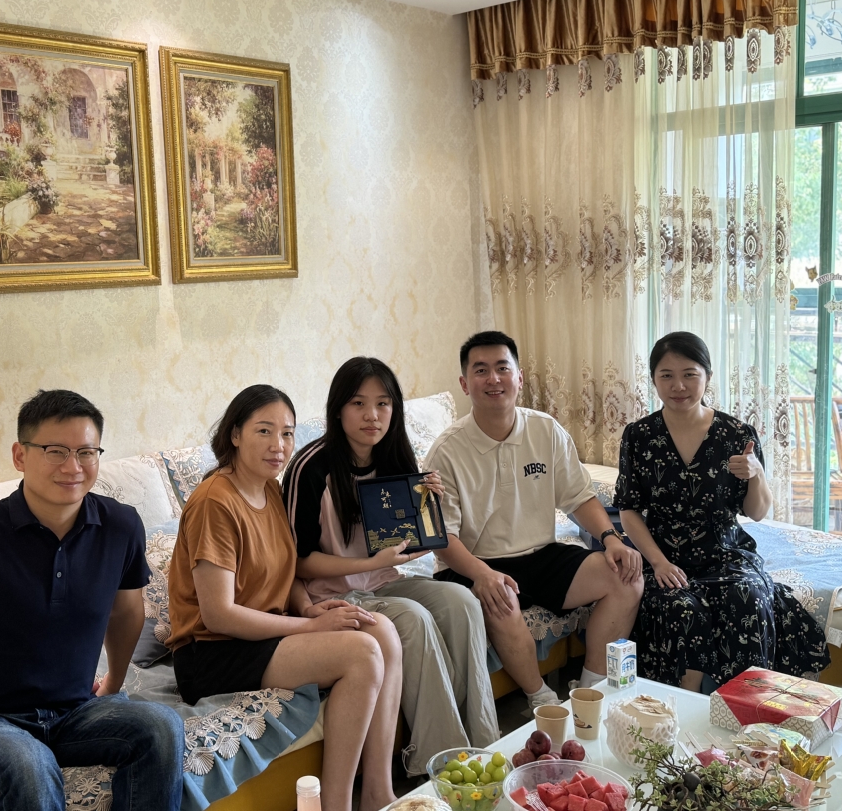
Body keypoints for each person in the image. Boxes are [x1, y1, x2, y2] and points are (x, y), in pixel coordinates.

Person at [0, 389, 184, 811]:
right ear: (20, 455)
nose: (73, 467)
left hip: (75, 711)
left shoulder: (120, 525)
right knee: (29, 766)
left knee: (162, 727)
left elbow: (127, 612)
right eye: (55, 451)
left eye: (86, 452)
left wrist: (112, 684)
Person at [166, 385, 402, 811]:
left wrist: (307, 606)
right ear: (235, 434)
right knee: (362, 654)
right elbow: (219, 615)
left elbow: (285, 569)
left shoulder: (269, 489)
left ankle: (377, 793)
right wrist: (311, 626)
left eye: (287, 433)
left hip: (262, 637)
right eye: (264, 431)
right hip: (212, 653)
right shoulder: (214, 502)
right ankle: (336, 806)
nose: (278, 445)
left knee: (381, 630)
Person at [283, 357, 500, 774]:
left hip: (384, 582)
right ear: (338, 409)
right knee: (415, 619)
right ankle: (442, 764)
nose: (372, 415)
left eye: (383, 404)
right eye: (359, 404)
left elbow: (412, 547)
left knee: (463, 603)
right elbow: (297, 562)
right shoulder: (311, 467)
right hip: (333, 594)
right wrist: (368, 561)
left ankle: (485, 745)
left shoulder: (394, 454)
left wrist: (429, 507)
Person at [427, 331, 644, 708]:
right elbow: (443, 537)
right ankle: (541, 700)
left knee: (627, 577)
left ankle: (591, 689)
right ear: (465, 383)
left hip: (540, 554)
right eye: (481, 370)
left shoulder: (545, 430)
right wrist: (483, 574)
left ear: (520, 378)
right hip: (475, 562)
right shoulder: (447, 451)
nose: (493, 379)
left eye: (502, 368)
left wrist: (612, 539)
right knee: (500, 599)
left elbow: (579, 496)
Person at [614, 332, 829, 689]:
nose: (678, 386)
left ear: (708, 376)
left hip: (726, 553)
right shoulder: (639, 436)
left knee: (748, 599)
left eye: (690, 374)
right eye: (666, 375)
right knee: (681, 610)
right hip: (665, 556)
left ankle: (746, 707)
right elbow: (629, 509)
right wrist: (658, 562)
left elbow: (757, 512)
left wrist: (757, 474)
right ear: (654, 379)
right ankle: (683, 708)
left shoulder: (736, 433)